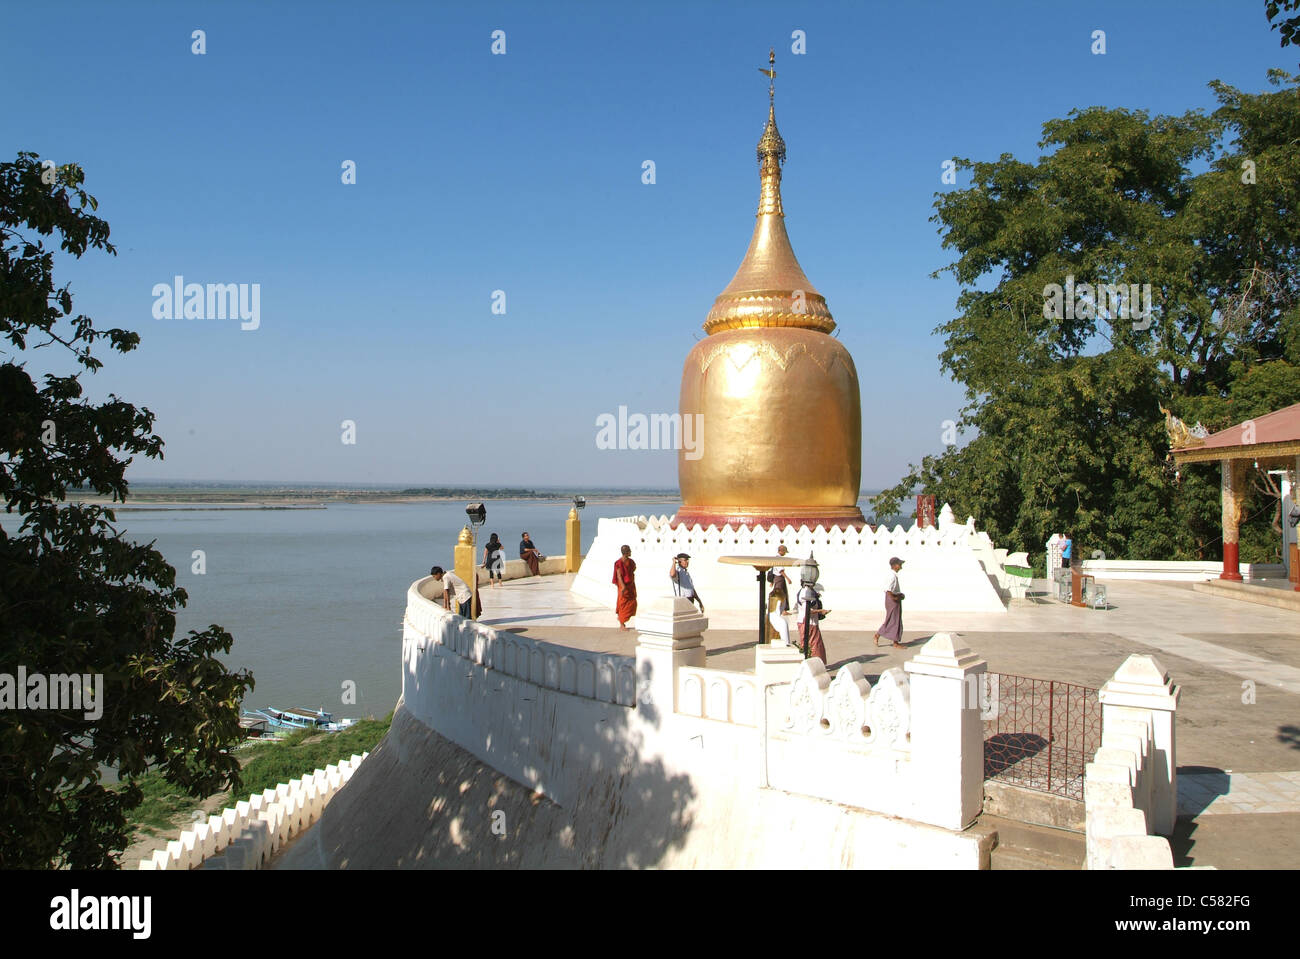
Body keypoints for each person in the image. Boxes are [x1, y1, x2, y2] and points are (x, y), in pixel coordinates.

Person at [873, 557, 906, 649]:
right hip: (892, 601)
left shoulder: (893, 575)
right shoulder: (892, 576)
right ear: (895, 565)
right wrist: (896, 598)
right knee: (893, 620)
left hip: (893, 600)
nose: (901, 567)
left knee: (895, 620)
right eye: (900, 565)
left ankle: (894, 641)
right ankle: (881, 636)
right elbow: (888, 590)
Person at [796, 575, 828, 662]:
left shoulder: (808, 591)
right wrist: (820, 611)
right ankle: (812, 663)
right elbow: (808, 610)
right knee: (812, 645)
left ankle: (813, 662)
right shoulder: (805, 592)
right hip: (808, 623)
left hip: (812, 622)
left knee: (815, 644)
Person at [766, 544, 791, 640]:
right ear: (781, 551)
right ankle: (780, 609)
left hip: (777, 579)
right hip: (779, 578)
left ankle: (783, 609)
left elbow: (773, 570)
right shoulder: (779, 559)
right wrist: (788, 578)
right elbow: (780, 571)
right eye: (784, 551)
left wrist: (772, 582)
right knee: (780, 594)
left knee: (781, 593)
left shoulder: (776, 558)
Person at [612, 544, 637, 630]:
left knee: (632, 602)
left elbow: (633, 569)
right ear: (626, 553)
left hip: (630, 586)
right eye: (629, 551)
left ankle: (621, 620)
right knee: (622, 604)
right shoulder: (619, 563)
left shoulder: (631, 561)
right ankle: (622, 624)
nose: (631, 552)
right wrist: (623, 587)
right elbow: (619, 576)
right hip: (623, 587)